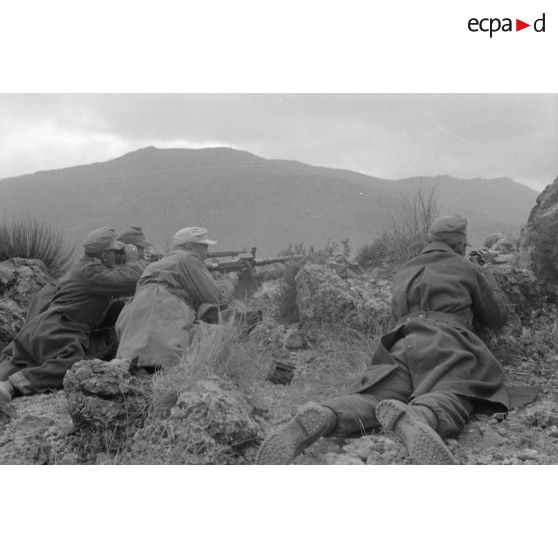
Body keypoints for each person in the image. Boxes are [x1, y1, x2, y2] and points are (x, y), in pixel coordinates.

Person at [256, 216, 510, 465]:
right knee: (450, 393)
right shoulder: (467, 267)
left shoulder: (405, 271)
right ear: (459, 245)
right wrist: (487, 277)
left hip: (401, 344)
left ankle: (327, 414)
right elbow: (497, 316)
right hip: (447, 342)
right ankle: (418, 417)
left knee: (374, 397)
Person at [0, 227, 145, 402]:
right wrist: (132, 261)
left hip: (41, 326)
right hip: (61, 328)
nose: (118, 255)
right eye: (115, 251)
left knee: (20, 359)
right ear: (105, 255)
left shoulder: (85, 268)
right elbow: (132, 279)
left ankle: (5, 381)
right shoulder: (92, 273)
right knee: (72, 365)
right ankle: (15, 384)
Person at [115, 226, 236, 372]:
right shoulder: (188, 257)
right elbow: (214, 297)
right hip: (166, 317)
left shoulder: (155, 265)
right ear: (189, 246)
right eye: (204, 247)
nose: (207, 253)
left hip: (133, 332)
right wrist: (229, 282)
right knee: (226, 332)